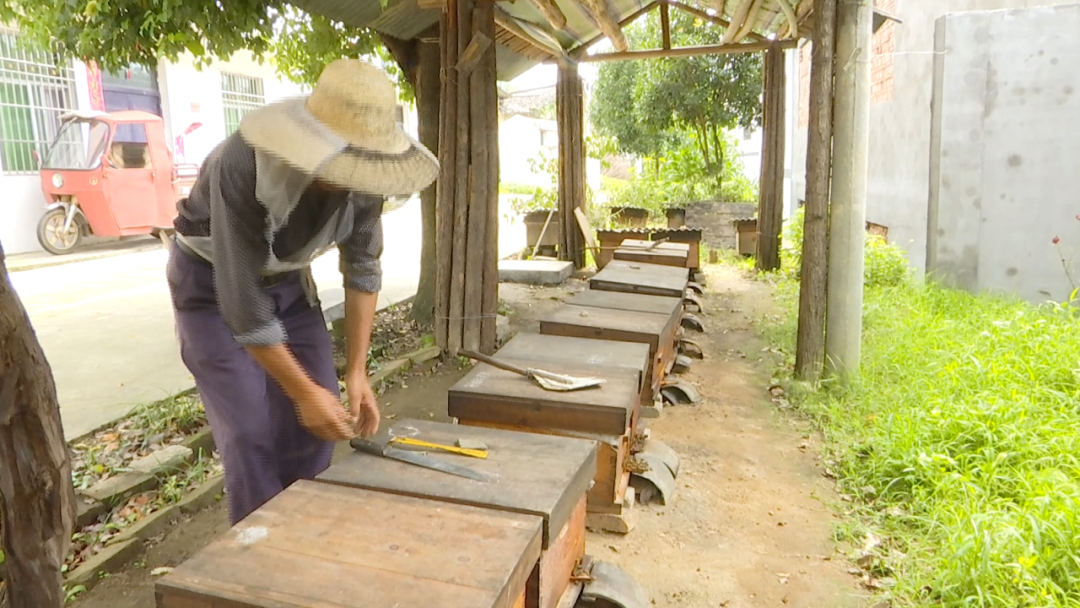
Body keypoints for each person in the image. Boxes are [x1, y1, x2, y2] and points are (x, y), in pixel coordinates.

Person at [165, 60, 439, 525]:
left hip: (290, 284)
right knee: (250, 431)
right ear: (315, 143)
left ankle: (299, 530)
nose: (355, 176)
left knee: (319, 421)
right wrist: (304, 393)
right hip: (210, 286)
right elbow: (244, 307)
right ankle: (258, 545)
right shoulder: (243, 163)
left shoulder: (367, 181)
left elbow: (363, 269)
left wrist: (357, 372)